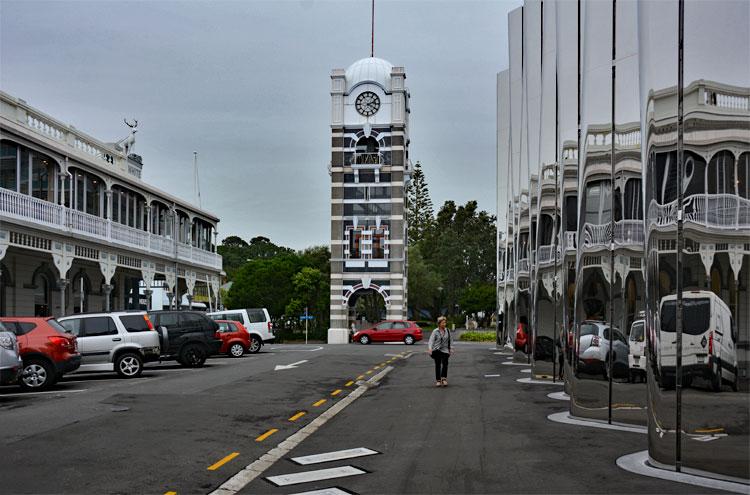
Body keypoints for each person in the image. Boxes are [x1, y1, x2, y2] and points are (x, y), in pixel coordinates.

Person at [426, 316, 452, 387]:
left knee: (445, 364)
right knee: (438, 365)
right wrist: (430, 349)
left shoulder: (448, 331)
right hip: (437, 350)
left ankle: (444, 379)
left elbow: (450, 340)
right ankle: (438, 380)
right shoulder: (435, 331)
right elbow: (431, 341)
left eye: (445, 323)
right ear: (439, 324)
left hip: (445, 350)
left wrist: (451, 348)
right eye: (443, 323)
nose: (444, 324)